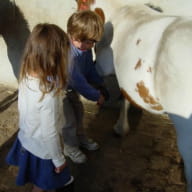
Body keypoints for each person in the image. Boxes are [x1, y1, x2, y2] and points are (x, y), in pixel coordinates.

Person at [6, 23, 74, 192]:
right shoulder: (48, 95)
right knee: (46, 185)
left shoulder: (26, 77)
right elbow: (49, 132)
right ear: (55, 58)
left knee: (39, 183)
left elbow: (23, 108)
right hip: (45, 152)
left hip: (27, 141)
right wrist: (59, 159)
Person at [62, 10, 109, 164]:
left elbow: (89, 69)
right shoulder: (67, 53)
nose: (84, 45)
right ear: (70, 33)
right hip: (58, 92)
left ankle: (80, 138)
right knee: (68, 121)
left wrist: (100, 84)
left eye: (90, 42)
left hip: (71, 90)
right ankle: (69, 147)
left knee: (79, 113)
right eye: (79, 40)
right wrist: (97, 95)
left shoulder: (85, 51)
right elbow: (77, 81)